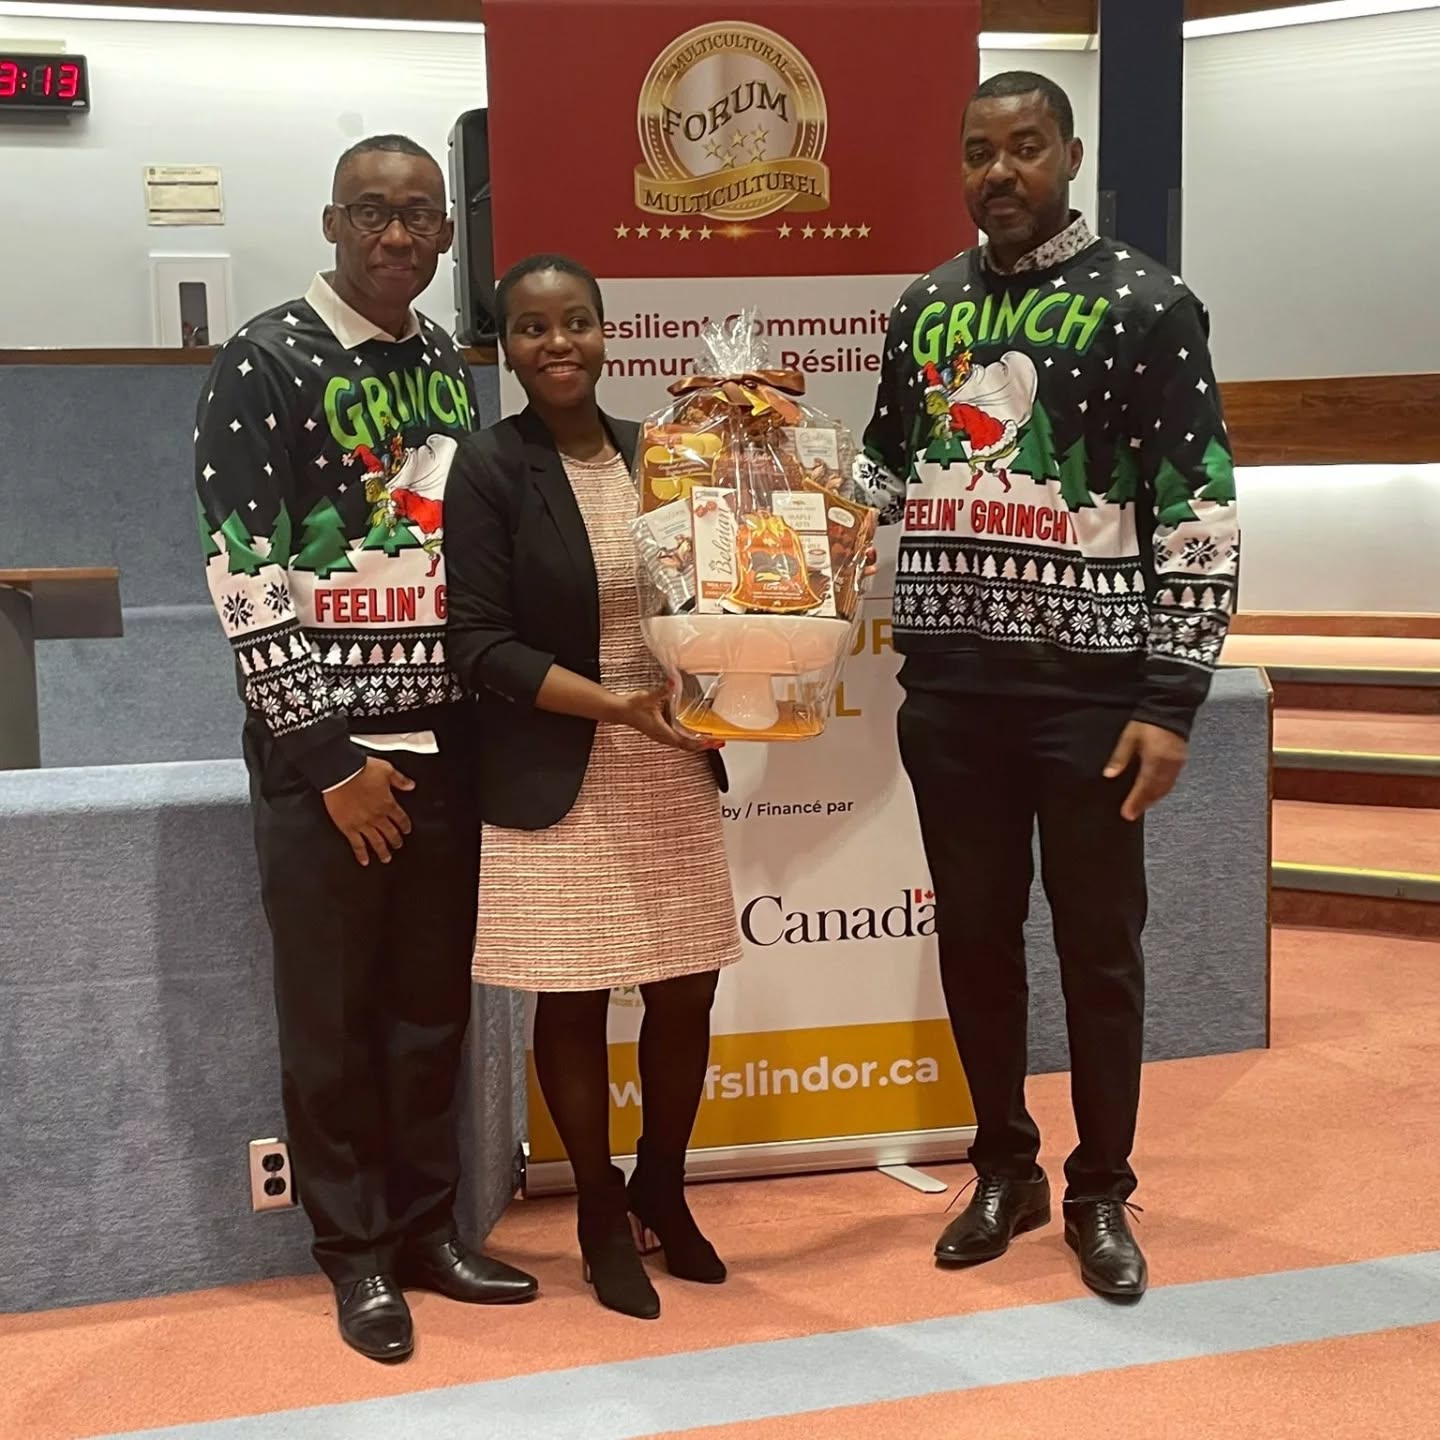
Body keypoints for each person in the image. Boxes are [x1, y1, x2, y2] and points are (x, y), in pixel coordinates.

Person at [856, 73, 1240, 1301]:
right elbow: (883, 468)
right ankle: (1005, 1167)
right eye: (979, 151)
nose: (999, 172)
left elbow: (1199, 513)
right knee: (973, 940)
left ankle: (1101, 1188)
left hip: (1092, 700)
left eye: (1025, 148)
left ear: (1071, 157)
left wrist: (1170, 701)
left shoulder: (1148, 304)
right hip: (949, 695)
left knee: (1097, 949)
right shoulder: (924, 308)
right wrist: (762, 479)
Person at [194, 134, 537, 1363]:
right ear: (332, 223)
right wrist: (331, 762)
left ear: (448, 233)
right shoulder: (264, 359)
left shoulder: (446, 361)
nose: (398, 236)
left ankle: (430, 1229)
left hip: (445, 744)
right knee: (334, 1022)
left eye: (421, 217)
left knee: (430, 1012)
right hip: (328, 764)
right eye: (373, 213)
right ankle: (355, 1257)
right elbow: (244, 577)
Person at [444, 254, 743, 1322]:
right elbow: (479, 645)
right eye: (532, 328)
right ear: (507, 345)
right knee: (570, 996)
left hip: (669, 756)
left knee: (685, 987)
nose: (557, 343)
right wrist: (616, 707)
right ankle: (600, 1213)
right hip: (556, 767)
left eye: (576, 321)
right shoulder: (489, 468)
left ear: (608, 332)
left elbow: (716, 593)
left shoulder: (659, 454)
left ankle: (662, 1181)